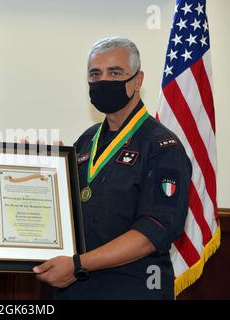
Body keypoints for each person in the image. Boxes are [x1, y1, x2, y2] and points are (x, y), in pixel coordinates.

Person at [34, 37, 192, 299]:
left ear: (138, 80)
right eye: (95, 74)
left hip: (131, 289)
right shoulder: (86, 141)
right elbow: (66, 210)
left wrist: (79, 264)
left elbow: (150, 234)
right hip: (74, 288)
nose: (103, 80)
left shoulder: (163, 147)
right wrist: (45, 171)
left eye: (115, 72)